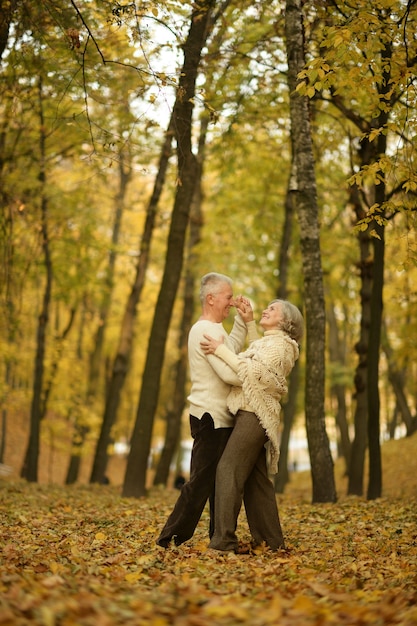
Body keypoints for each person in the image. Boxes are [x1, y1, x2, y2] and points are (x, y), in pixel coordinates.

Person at [156, 272, 255, 548]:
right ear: (211, 298)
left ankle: (217, 537)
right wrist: (251, 374)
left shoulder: (213, 328)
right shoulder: (204, 331)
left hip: (216, 416)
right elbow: (230, 374)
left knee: (215, 483)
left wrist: (240, 321)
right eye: (228, 296)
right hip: (210, 417)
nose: (232, 301)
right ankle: (170, 536)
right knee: (201, 482)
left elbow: (229, 351)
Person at [200, 298, 304, 553]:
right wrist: (248, 322)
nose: (266, 310)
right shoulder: (272, 343)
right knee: (257, 482)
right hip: (250, 412)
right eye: (266, 307)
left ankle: (223, 541)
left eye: (273, 309)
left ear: (286, 320)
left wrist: (219, 349)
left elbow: (252, 372)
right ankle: (271, 542)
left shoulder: (282, 348)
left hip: (255, 416)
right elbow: (258, 353)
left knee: (227, 469)